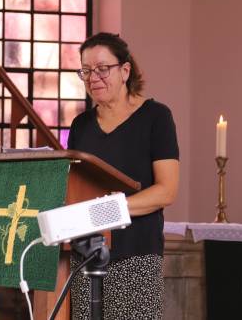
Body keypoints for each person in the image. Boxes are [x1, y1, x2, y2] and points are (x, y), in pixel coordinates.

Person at [67, 32, 180, 319]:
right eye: (86, 70)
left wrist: (105, 211)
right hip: (86, 256)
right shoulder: (80, 125)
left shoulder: (156, 117)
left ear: (125, 71)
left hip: (136, 255)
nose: (94, 77)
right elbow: (74, 187)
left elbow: (166, 191)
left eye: (103, 69)